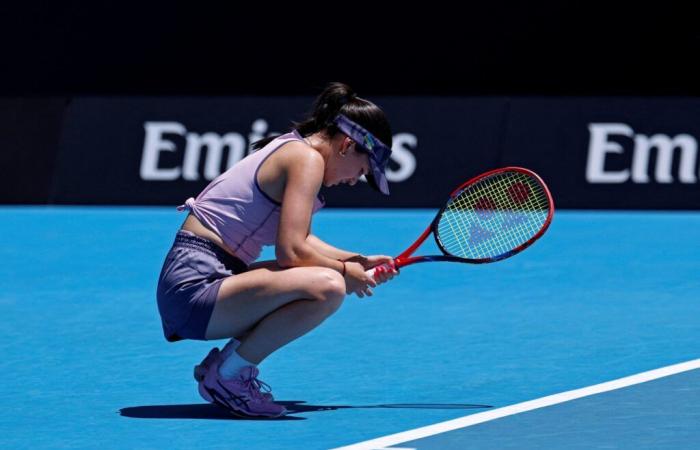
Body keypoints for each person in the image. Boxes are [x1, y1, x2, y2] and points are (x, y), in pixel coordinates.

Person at [155, 82, 399, 418]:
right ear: (346, 145)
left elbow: (302, 241)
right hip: (195, 290)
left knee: (327, 279)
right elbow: (292, 252)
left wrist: (355, 260)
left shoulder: (298, 150)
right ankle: (227, 377)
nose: (355, 179)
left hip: (203, 280)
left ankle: (224, 367)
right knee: (328, 286)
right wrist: (346, 274)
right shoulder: (307, 159)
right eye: (362, 169)